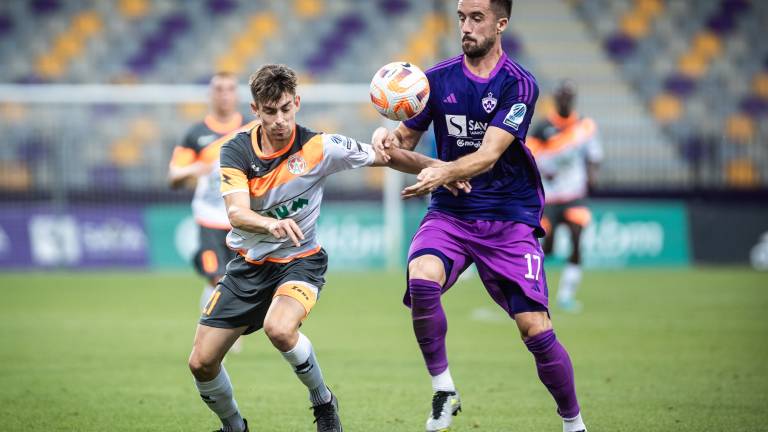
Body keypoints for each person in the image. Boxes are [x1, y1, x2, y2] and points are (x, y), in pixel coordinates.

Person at [187, 64, 462, 432]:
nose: (280, 120)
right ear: (255, 109)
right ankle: (234, 426)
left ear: (297, 103)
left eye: (286, 109)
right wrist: (270, 224)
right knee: (201, 363)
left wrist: (443, 169)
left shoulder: (321, 147)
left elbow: (385, 156)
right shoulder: (235, 150)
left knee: (279, 328)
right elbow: (236, 212)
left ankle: (323, 402)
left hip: (300, 261)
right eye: (270, 111)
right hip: (247, 265)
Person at [372, 1, 587, 431]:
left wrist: (445, 171)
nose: (466, 27)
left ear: (501, 23)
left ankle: (574, 423)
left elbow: (488, 154)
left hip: (508, 217)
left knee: (535, 328)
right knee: (422, 277)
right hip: (452, 213)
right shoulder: (435, 80)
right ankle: (443, 390)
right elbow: (399, 147)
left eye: (476, 18)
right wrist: (384, 139)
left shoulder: (519, 84)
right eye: (461, 18)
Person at [168, 72, 250, 318]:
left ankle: (220, 319)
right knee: (217, 277)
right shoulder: (196, 134)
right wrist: (194, 169)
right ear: (210, 95)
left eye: (230, 89)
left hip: (242, 216)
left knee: (238, 281)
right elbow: (173, 175)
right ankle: (218, 327)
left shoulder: (251, 129)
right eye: (219, 89)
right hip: (209, 218)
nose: (224, 95)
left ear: (237, 95)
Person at [527, 80, 602, 312]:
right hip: (549, 197)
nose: (565, 100)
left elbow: (594, 155)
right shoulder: (543, 127)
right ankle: (530, 288)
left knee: (577, 240)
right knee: (546, 246)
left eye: (568, 97)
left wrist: (592, 175)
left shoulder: (584, 126)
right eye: (562, 96)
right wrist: (542, 171)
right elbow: (529, 157)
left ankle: (566, 296)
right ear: (556, 99)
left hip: (574, 194)